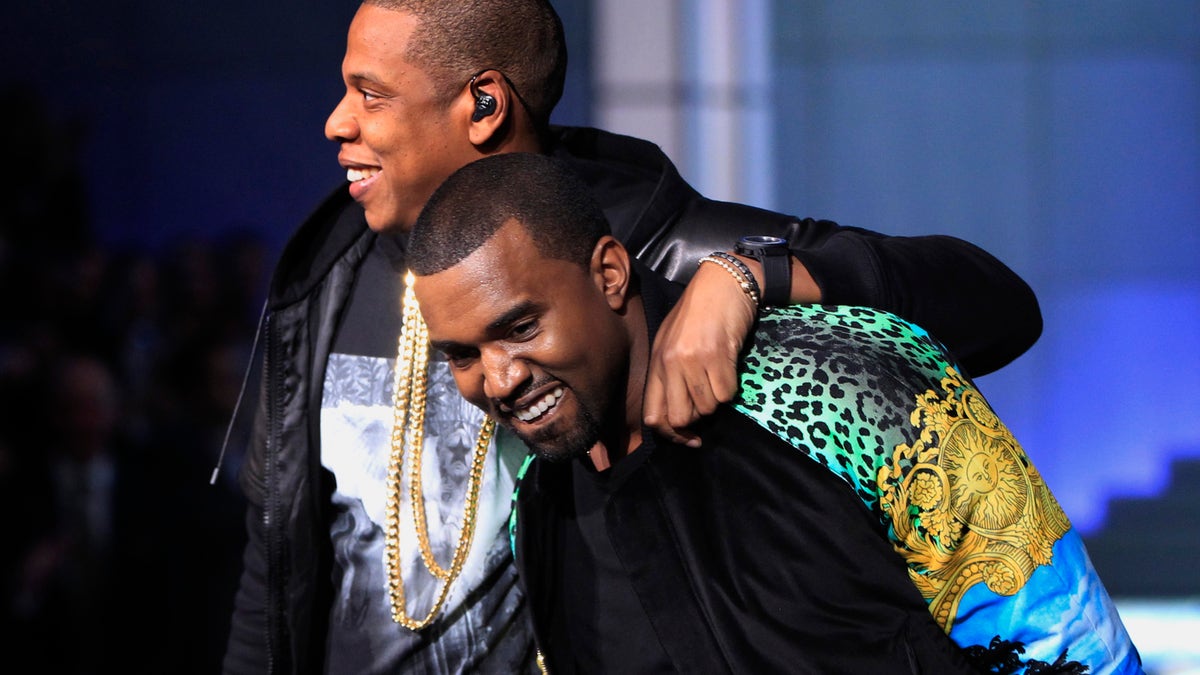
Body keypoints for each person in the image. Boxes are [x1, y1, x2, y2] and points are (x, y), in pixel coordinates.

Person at [222, 1, 1044, 672]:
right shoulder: (321, 275)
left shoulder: (652, 247)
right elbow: (276, 557)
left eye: (370, 94)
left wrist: (748, 276)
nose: (335, 122)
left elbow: (996, 305)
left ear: (483, 103)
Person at [407, 152, 1142, 674]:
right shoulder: (539, 509)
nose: (496, 379)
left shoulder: (831, 378)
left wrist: (752, 271)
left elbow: (1067, 648)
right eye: (462, 354)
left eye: (521, 327)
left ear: (608, 272)